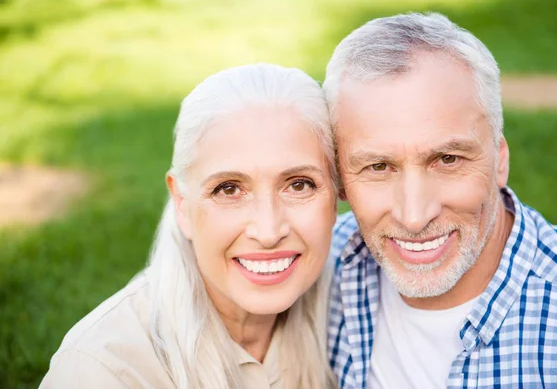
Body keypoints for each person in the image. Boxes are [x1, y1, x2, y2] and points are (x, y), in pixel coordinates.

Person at [324, 12, 557, 389]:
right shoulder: (315, 271)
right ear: (340, 180)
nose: (415, 216)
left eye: (447, 160)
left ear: (499, 159)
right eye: (378, 166)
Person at [40, 64, 339, 388]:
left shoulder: (355, 308)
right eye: (228, 189)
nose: (268, 232)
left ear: (337, 196)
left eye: (299, 185)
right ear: (182, 203)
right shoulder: (103, 370)